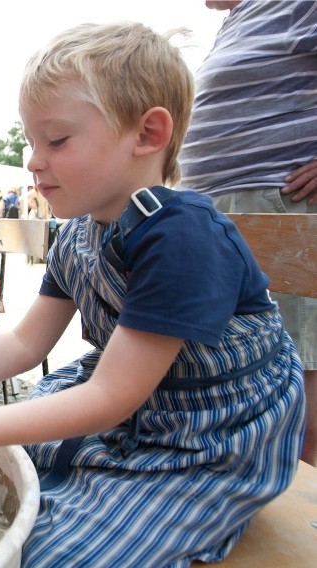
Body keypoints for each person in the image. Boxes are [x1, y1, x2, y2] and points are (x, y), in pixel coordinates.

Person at [0, 22, 305, 566]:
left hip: (213, 430)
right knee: (4, 464)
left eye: (56, 140)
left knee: (51, 551)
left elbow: (109, 396)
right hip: (135, 396)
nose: (33, 160)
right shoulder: (81, 233)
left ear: (148, 135)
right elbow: (25, 346)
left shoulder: (181, 233)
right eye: (32, 141)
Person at [179, 0, 316, 465]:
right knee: (238, 384)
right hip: (224, 215)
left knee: (302, 402)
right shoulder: (239, 18)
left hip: (276, 207)